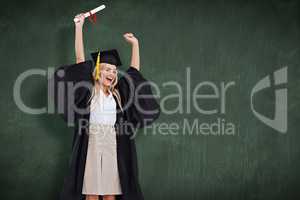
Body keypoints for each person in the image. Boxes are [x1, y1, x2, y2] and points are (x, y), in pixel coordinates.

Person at [50, 13, 160, 200]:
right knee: (92, 194)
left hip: (113, 142)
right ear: (98, 72)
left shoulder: (119, 94)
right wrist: (79, 27)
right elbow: (80, 59)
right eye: (107, 69)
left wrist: (135, 45)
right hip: (91, 140)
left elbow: (134, 74)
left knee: (110, 194)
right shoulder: (88, 90)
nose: (111, 73)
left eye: (114, 71)